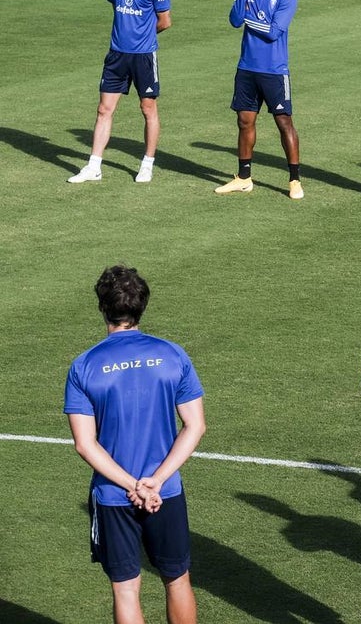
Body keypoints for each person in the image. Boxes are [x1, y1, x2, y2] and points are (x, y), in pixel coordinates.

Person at [64, 265, 206, 623]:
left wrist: (131, 485)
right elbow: (195, 426)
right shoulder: (173, 355)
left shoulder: (84, 366)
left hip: (114, 495)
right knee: (177, 580)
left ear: (103, 307)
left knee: (126, 588)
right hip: (166, 491)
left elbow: (85, 444)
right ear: (142, 306)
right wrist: (155, 482)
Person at [69, 0, 172, 185]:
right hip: (116, 55)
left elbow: (165, 21)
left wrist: (142, 36)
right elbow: (118, 10)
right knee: (104, 109)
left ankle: (147, 164)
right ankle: (94, 166)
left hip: (144, 56)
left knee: (147, 109)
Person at [215, 0, 304, 200]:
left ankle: (294, 179)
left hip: (274, 71)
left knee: (284, 122)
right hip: (246, 68)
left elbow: (274, 31)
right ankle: (243, 178)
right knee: (244, 122)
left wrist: (250, 19)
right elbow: (234, 20)